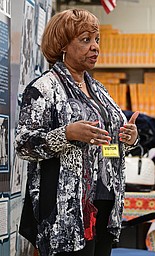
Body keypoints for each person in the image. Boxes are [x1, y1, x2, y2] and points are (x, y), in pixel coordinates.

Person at [14, 9, 140, 256]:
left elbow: (112, 140)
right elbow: (23, 145)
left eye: (97, 40)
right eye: (85, 40)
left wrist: (130, 137)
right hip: (65, 211)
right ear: (62, 45)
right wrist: (67, 133)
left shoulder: (99, 90)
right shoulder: (43, 88)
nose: (95, 47)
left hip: (104, 203)